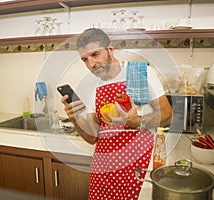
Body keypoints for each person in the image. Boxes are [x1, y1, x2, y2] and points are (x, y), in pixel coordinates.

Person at [61, 28, 173, 200]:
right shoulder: (93, 87)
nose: (91, 64)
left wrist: (139, 121)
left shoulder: (140, 72)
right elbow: (92, 137)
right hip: (103, 171)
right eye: (85, 59)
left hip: (137, 168)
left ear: (110, 50)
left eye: (95, 55)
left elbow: (167, 114)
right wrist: (74, 118)